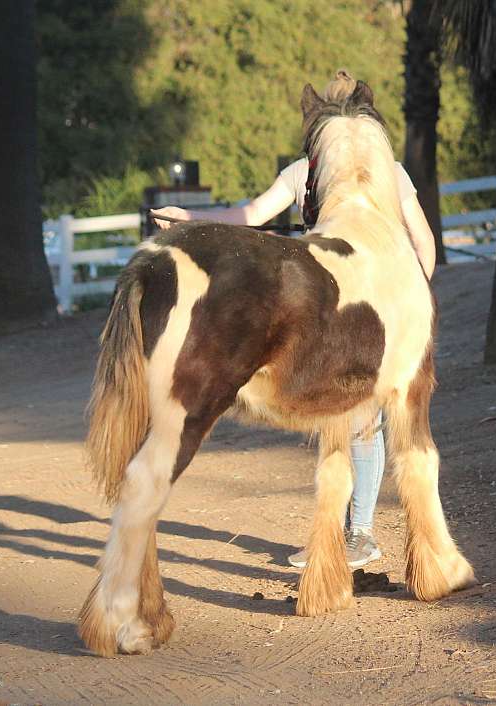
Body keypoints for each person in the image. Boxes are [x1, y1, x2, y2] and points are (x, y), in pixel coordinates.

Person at [152, 69, 436, 569]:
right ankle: (345, 533)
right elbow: (424, 242)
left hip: (376, 301)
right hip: (333, 303)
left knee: (362, 420)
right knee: (341, 418)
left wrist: (409, 304)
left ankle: (361, 532)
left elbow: (254, 215)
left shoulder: (381, 170)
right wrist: (192, 222)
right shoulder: (309, 171)